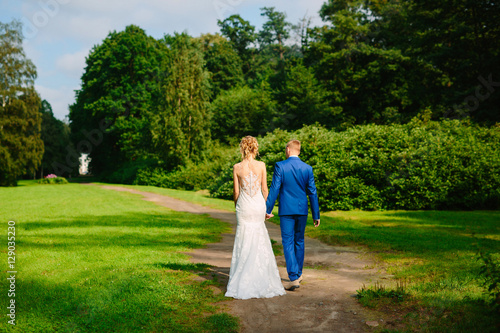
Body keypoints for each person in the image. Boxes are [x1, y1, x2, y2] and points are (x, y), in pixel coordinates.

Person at [225, 136, 286, 299]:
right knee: (259, 237)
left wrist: (237, 205)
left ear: (242, 148)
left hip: (244, 206)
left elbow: (236, 192)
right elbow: (265, 189)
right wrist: (267, 207)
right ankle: (262, 278)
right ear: (255, 148)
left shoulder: (237, 167)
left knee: (244, 238)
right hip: (258, 204)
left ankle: (243, 277)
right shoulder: (262, 165)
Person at [266, 140, 320, 291]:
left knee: (288, 242)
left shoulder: (280, 166)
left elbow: (275, 188)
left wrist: (268, 209)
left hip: (286, 211)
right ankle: (299, 273)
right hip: (302, 210)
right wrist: (316, 214)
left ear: (288, 150)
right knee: (299, 241)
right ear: (299, 151)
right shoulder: (307, 168)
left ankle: (294, 277)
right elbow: (312, 192)